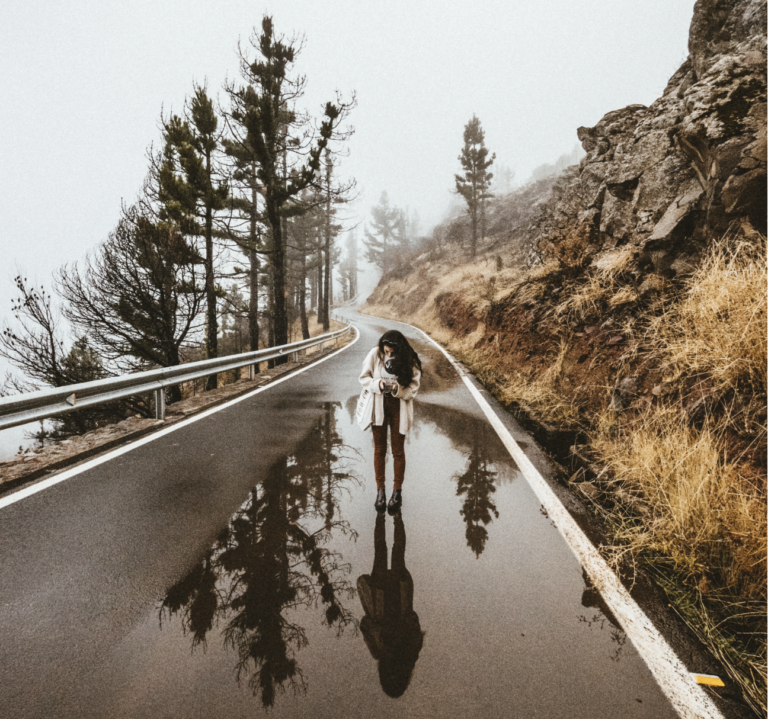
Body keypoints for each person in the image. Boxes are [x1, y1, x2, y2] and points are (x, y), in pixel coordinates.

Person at [357, 511, 423, 697]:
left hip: (381, 596)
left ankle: (381, 516)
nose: (393, 675)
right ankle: (397, 517)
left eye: (390, 678)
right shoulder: (410, 652)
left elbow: (364, 624)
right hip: (397, 595)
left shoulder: (379, 652)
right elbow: (415, 620)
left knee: (382, 549)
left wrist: (378, 631)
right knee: (397, 550)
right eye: (396, 679)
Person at [358, 329, 422, 512]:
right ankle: (380, 492)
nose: (388, 355)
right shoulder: (374, 354)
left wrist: (397, 389)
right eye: (386, 352)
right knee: (379, 449)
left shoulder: (409, 360)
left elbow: (413, 390)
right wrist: (376, 384)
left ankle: (397, 493)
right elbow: (363, 378)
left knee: (397, 451)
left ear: (399, 350)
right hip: (378, 405)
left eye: (392, 353)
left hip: (399, 407)